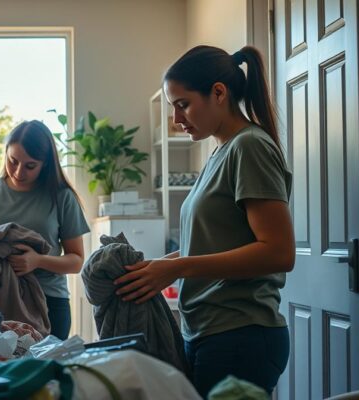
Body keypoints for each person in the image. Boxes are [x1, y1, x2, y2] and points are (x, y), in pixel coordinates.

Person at [114, 45, 294, 396]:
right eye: (172, 108)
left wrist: (177, 269)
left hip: (241, 335)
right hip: (207, 333)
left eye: (183, 104)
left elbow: (278, 253)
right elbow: (214, 241)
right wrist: (156, 267)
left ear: (218, 93)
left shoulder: (249, 147)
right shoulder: (219, 153)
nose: (177, 119)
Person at [0, 120, 90, 339]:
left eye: (30, 166)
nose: (18, 171)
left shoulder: (61, 197)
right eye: (12, 161)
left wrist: (38, 261)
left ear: (46, 164)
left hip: (50, 302)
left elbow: (77, 261)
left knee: (43, 371)